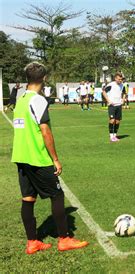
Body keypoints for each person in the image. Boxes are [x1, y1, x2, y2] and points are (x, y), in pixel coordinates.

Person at [11, 62, 88, 254]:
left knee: (28, 199)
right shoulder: (38, 100)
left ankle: (32, 242)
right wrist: (55, 158)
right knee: (57, 195)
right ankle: (64, 239)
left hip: (21, 156)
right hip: (38, 157)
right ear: (44, 79)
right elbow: (45, 131)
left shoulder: (20, 100)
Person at [102, 73, 126, 142]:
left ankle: (115, 135)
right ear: (115, 78)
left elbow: (124, 93)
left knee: (117, 121)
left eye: (121, 79)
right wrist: (108, 100)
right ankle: (111, 136)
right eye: (119, 79)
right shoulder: (111, 85)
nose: (120, 80)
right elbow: (104, 92)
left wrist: (123, 100)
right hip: (112, 105)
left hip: (119, 105)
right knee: (112, 120)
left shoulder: (122, 85)